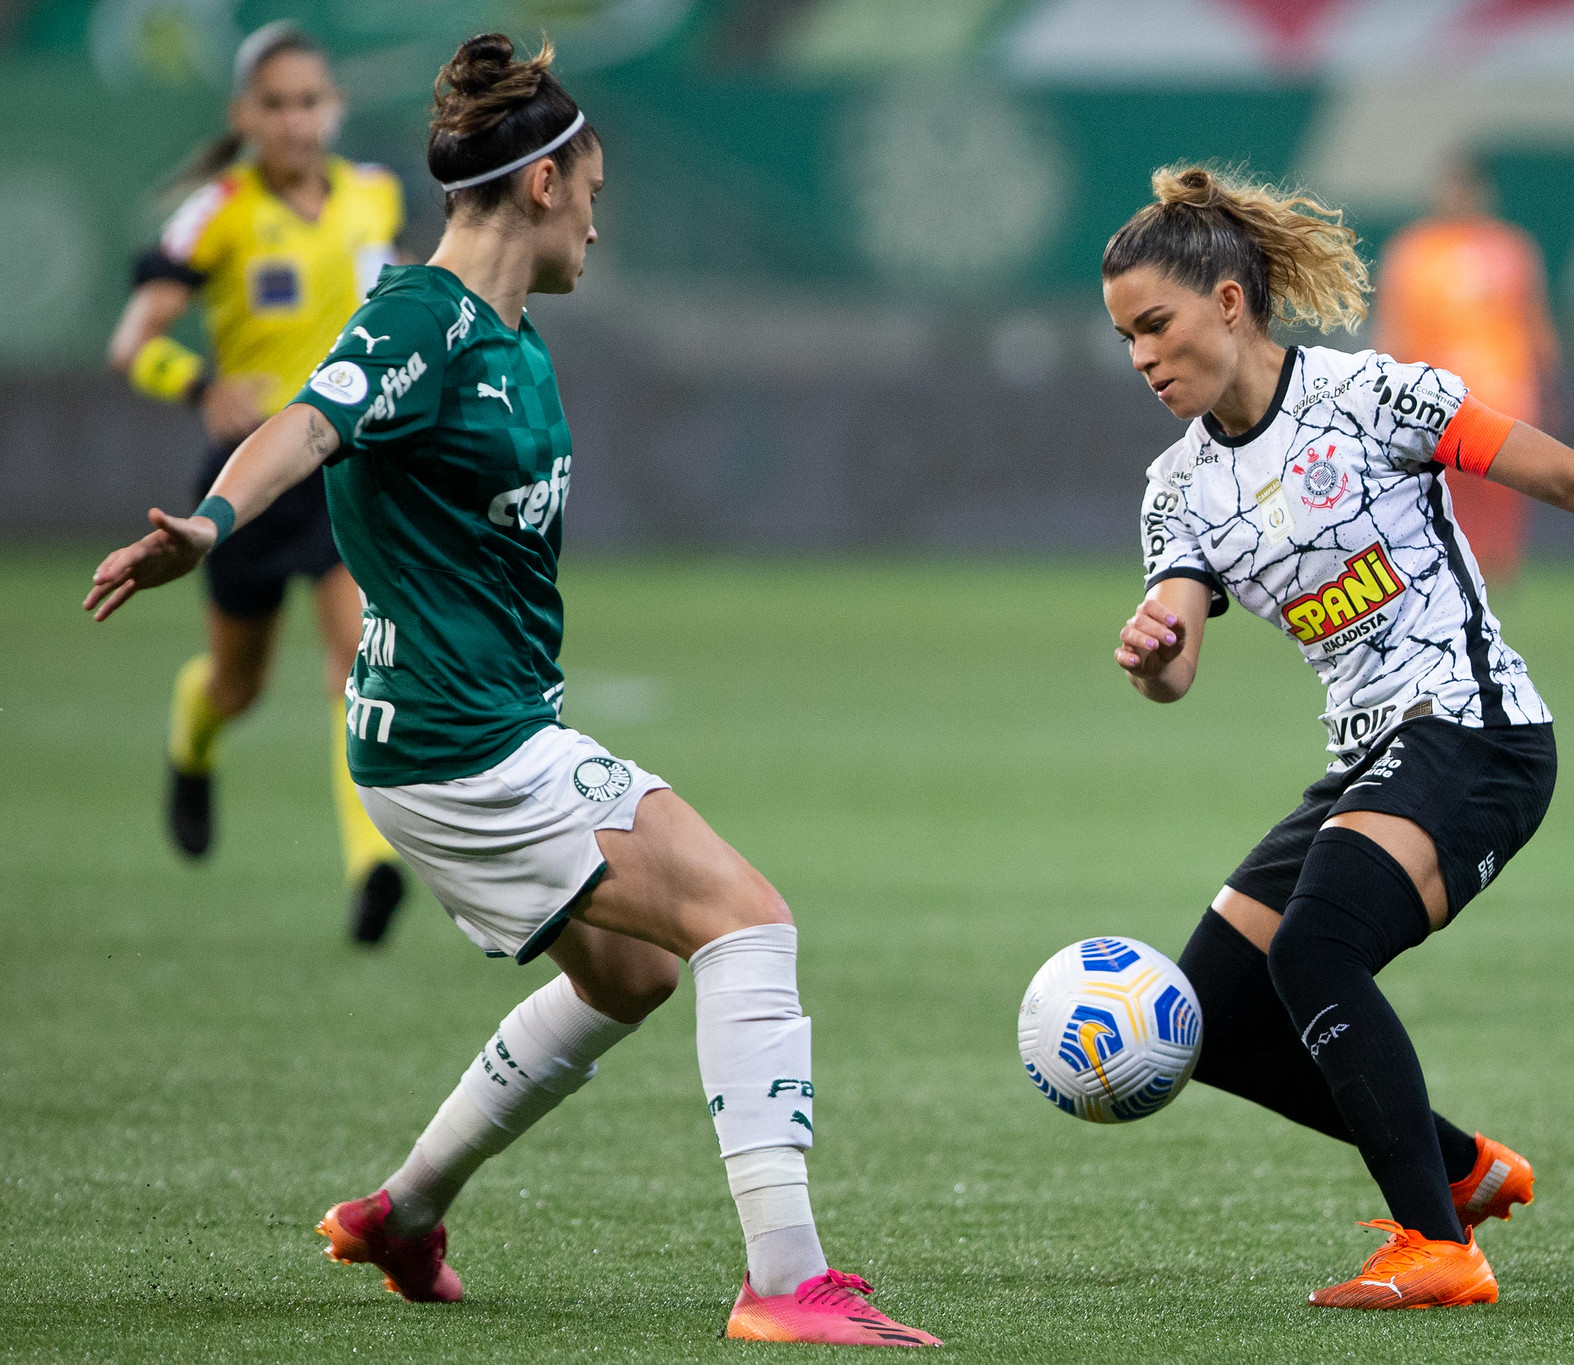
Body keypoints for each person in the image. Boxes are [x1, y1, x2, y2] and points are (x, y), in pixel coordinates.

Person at [85, 33, 939, 1349]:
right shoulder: (419, 319)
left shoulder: (514, 343)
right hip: (462, 745)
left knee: (629, 981)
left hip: (459, 737)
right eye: (593, 185)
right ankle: (785, 1281)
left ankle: (403, 1213)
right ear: (542, 185)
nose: (602, 213)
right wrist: (208, 520)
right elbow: (310, 420)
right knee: (745, 922)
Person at [1102, 166, 1574, 1311]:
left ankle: (1438, 1246)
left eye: (1155, 324)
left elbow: (1565, 475)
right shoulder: (1178, 489)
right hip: (1372, 758)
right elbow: (1179, 657)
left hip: (1476, 733)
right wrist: (1158, 658)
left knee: (1314, 950)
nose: (1142, 357)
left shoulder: (1372, 399)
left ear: (1227, 301)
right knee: (1211, 1014)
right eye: (1123, 338)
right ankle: (1460, 1167)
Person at [106, 21, 411, 943]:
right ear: (245, 115)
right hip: (248, 473)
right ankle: (193, 736)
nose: (295, 121)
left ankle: (373, 866)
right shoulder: (219, 211)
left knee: (354, 663)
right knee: (239, 684)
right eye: (275, 105)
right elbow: (133, 346)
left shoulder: (376, 198)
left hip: (342, 466)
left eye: (309, 101)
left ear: (336, 108)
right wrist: (202, 384)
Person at [1373, 155, 1557, 586]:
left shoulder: (1511, 249)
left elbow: (1532, 320)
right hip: (1434, 391)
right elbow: (1394, 323)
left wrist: (1546, 383)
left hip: (1504, 384)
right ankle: (1449, 559)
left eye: (1466, 189)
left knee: (1505, 484)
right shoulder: (1413, 250)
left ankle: (1499, 568)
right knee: (1443, 483)